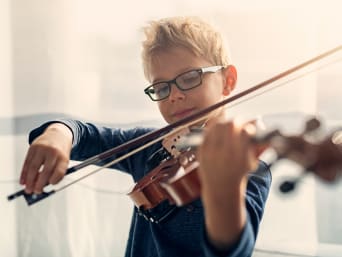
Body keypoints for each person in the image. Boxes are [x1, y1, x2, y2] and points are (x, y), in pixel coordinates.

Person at [19, 16, 272, 257]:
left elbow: (234, 249)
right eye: (162, 87)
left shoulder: (247, 167)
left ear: (228, 81)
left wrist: (226, 185)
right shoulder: (153, 148)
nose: (174, 95)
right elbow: (86, 135)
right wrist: (58, 133)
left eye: (190, 78)